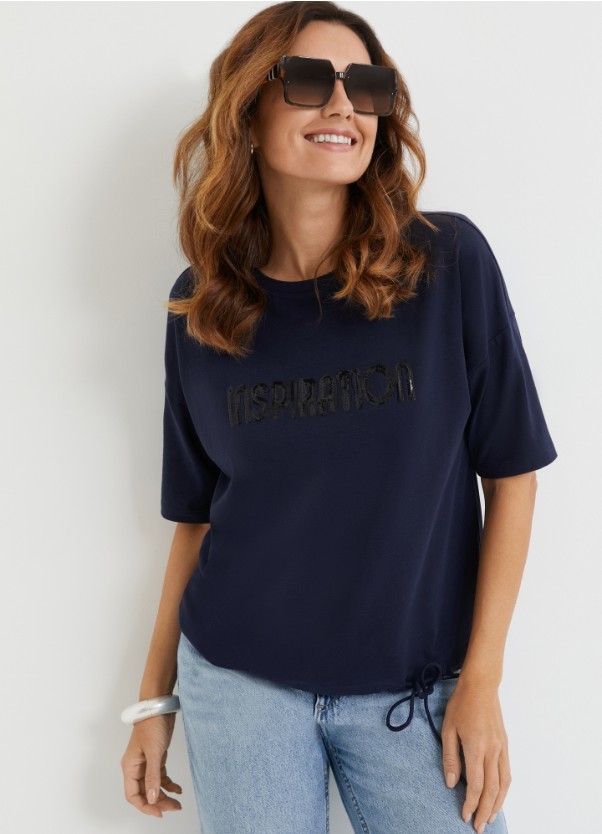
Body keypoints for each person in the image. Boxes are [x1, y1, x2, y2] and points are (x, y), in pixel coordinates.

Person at [120, 3, 558, 832]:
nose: (343, 105)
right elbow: (198, 521)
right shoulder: (202, 305)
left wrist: (482, 682)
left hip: (415, 697)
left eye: (366, 86)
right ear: (247, 112)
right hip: (240, 686)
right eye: (309, 80)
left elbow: (513, 476)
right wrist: (154, 700)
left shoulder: (448, 264)